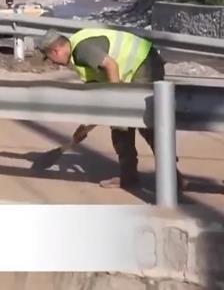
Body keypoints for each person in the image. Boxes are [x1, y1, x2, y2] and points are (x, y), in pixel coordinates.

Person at [38, 28, 183, 190]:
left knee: (145, 124)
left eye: (49, 58)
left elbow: (111, 65)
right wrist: (85, 126)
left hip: (144, 63)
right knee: (119, 127)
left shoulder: (82, 50)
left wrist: (115, 101)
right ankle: (128, 177)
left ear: (56, 51)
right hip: (134, 70)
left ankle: (173, 179)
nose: (52, 63)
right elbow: (100, 99)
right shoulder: (79, 59)